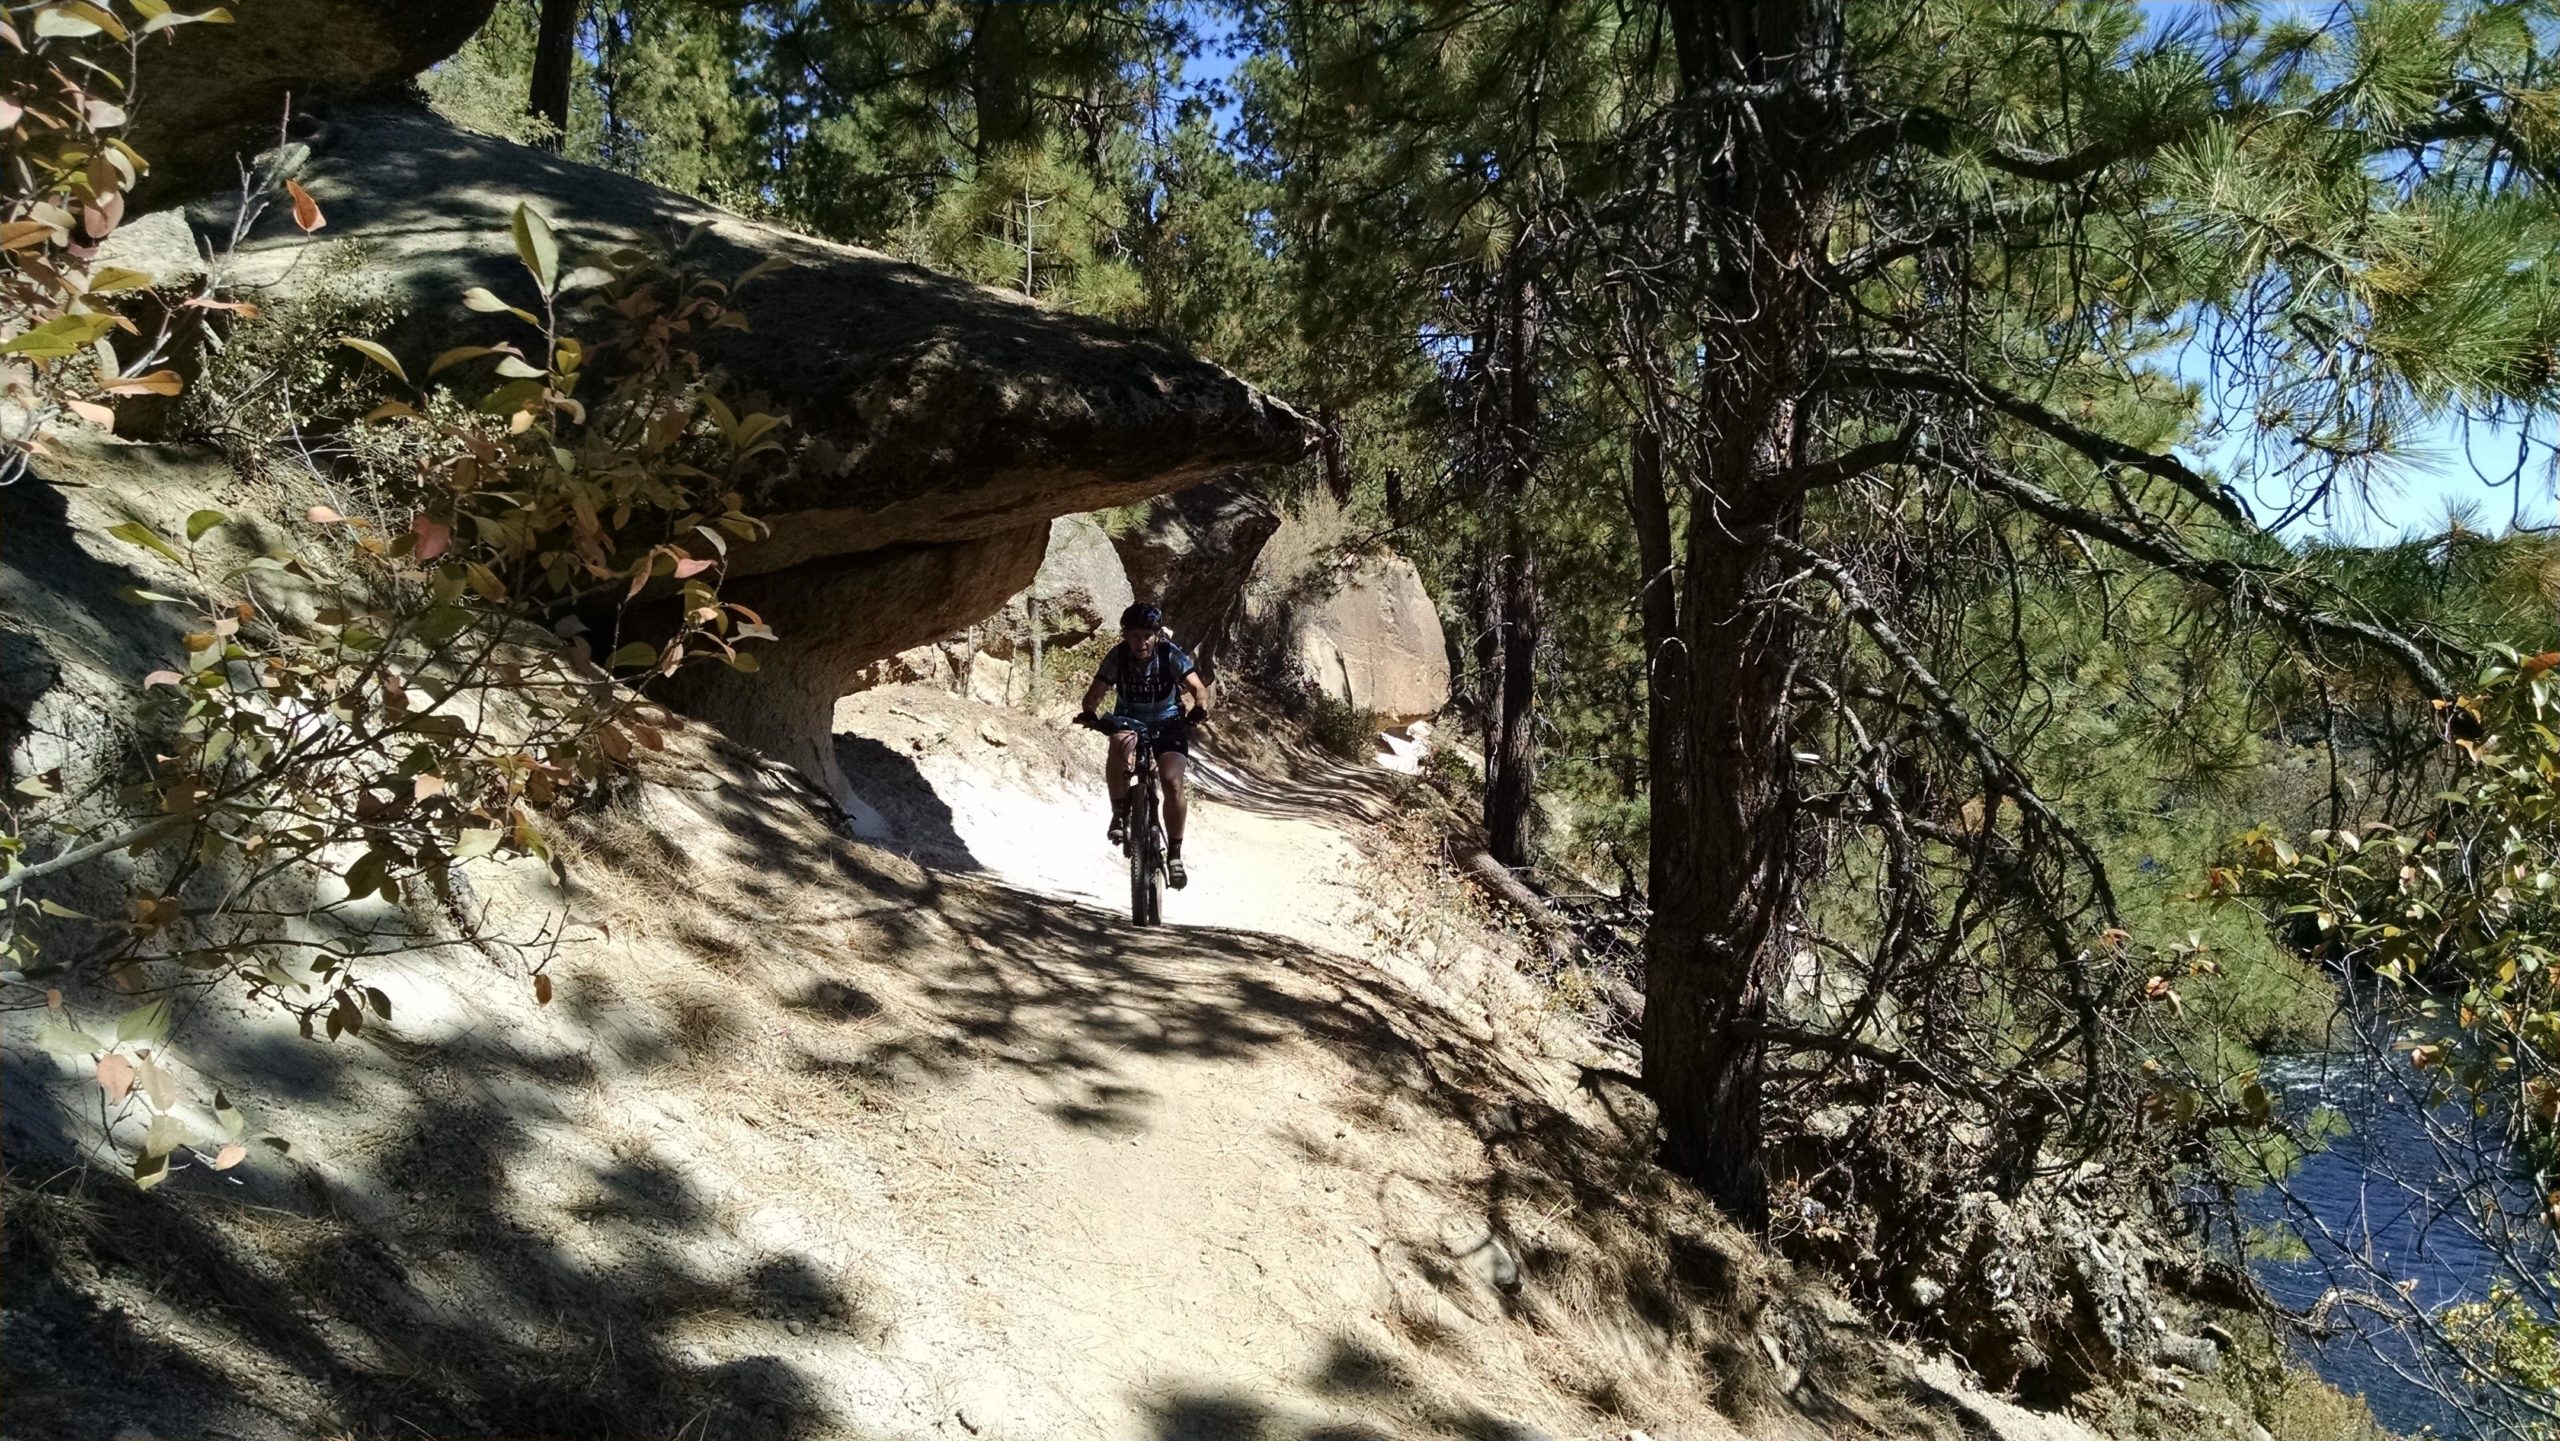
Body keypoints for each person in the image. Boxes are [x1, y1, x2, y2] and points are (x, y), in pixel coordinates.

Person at [1076, 602, 1210, 887]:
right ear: (1126, 636)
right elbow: (1096, 692)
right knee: (1119, 744)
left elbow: (1198, 687)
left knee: (1172, 782)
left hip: (1169, 721)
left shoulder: (1168, 654)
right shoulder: (1118, 657)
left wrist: (1199, 707)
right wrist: (1089, 710)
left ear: (1157, 635)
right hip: (1130, 719)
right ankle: (1119, 814)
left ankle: (1174, 854)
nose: (1140, 642)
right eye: (1134, 635)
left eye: (1146, 635)